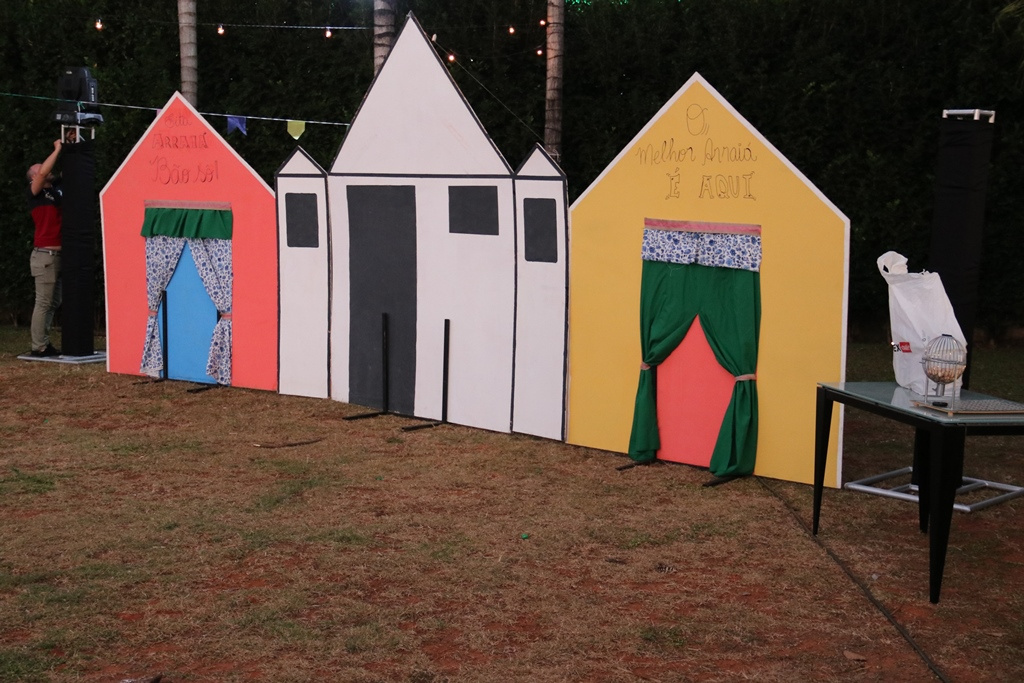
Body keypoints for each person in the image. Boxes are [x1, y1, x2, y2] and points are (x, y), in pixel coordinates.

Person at [26, 138, 64, 357]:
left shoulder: (55, 191)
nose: (45, 169)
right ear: (34, 177)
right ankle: (38, 346)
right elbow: (42, 173)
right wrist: (57, 149)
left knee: (54, 301)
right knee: (43, 302)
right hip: (45, 256)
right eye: (40, 168)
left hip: (58, 256)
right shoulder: (35, 193)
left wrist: (70, 144)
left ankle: (43, 342)